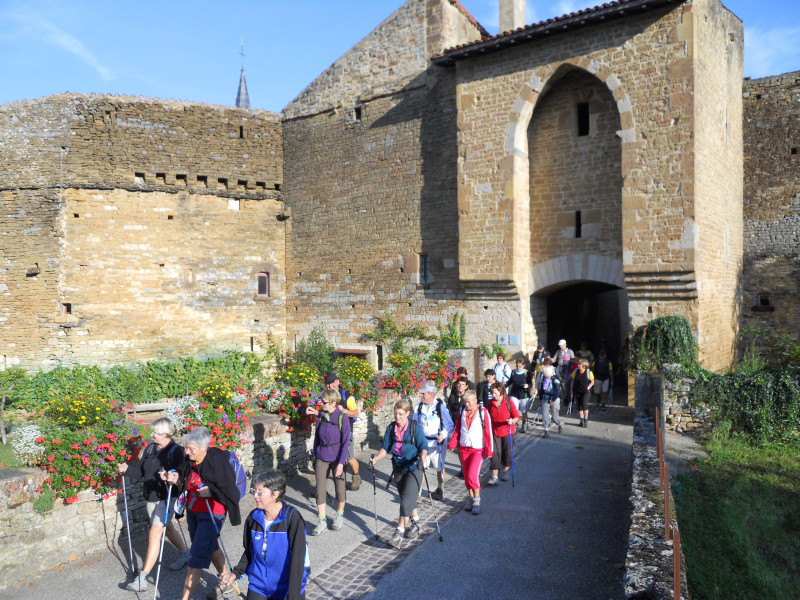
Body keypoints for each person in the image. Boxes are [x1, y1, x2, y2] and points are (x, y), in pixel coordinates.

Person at [164, 426, 241, 600]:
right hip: (193, 510)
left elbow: (231, 492)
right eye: (186, 447)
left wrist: (211, 491)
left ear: (204, 447)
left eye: (191, 448)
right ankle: (225, 578)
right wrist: (174, 479)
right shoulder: (189, 459)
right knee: (209, 545)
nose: (186, 451)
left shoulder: (217, 462)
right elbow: (183, 479)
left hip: (212, 513)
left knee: (196, 555)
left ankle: (185, 598)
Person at [119, 418, 188, 592]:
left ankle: (143, 578)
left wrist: (172, 478)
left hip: (167, 497)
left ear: (165, 434)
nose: (152, 435)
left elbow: (182, 475)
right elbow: (141, 473)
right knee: (168, 528)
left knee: (154, 534)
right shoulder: (150, 448)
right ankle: (185, 552)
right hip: (151, 496)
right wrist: (127, 469)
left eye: (155, 432)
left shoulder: (176, 451)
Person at [222, 470, 308, 600]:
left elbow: (298, 561)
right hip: (258, 586)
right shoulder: (253, 517)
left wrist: (294, 595)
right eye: (254, 491)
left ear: (275, 494)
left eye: (260, 492)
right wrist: (236, 573)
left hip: (286, 588)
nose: (255, 496)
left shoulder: (292, 518)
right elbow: (250, 552)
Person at [370, 399, 427, 548]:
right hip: (398, 468)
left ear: (408, 413)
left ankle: (398, 535)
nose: (398, 417)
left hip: (414, 467)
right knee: (407, 499)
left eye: (401, 414)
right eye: (396, 413)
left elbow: (424, 446)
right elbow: (385, 448)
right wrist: (376, 458)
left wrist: (423, 457)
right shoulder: (391, 428)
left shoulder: (415, 428)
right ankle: (416, 524)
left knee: (406, 501)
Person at [304, 388, 351, 536]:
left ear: (332, 403)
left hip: (337, 457)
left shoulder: (342, 417)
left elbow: (345, 443)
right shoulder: (321, 416)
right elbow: (317, 438)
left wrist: (341, 463)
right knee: (320, 489)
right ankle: (322, 520)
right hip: (321, 456)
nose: (321, 404)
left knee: (340, 488)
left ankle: (339, 515)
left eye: (324, 402)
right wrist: (314, 456)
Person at [448, 390, 493, 515]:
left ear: (475, 401)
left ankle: (477, 500)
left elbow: (488, 432)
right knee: (467, 476)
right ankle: (471, 498)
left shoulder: (483, 413)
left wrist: (489, 450)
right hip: (464, 448)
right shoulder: (462, 411)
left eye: (468, 402)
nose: (466, 404)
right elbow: (457, 428)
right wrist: (452, 443)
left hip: (477, 449)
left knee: (473, 475)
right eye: (465, 401)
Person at [413, 380, 454, 501]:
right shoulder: (418, 407)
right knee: (421, 467)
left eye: (423, 393)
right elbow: (414, 424)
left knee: (439, 467)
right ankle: (418, 493)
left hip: (437, 443)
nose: (421, 395)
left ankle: (440, 489)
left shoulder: (440, 406)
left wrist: (443, 435)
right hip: (423, 443)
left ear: (431, 394)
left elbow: (449, 425)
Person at [323, 373, 362, 490]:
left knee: (349, 457)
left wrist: (343, 410)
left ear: (337, 382)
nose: (329, 386)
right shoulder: (327, 396)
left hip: (346, 431)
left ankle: (356, 476)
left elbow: (355, 413)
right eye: (327, 384)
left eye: (331, 383)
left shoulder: (347, 396)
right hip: (332, 431)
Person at [486, 382, 519, 485]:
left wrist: (512, 421)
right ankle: (494, 476)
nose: (493, 395)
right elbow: (486, 416)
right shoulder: (490, 403)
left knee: (507, 452)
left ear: (501, 392)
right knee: (494, 453)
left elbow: (517, 417)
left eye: (495, 393)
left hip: (507, 431)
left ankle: (505, 471)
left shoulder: (508, 402)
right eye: (492, 393)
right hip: (495, 431)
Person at [538, 358, 564, 437]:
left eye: (547, 365)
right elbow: (542, 389)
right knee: (545, 415)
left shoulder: (555, 379)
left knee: (554, 416)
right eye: (544, 365)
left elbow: (557, 391)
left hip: (554, 398)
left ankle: (560, 423)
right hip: (545, 398)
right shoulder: (543, 378)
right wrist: (541, 398)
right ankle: (546, 430)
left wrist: (553, 400)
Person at [506, 358, 530, 432]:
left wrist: (527, 385)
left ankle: (524, 423)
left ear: (523, 365)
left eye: (520, 366)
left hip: (524, 394)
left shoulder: (526, 373)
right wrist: (504, 384)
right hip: (514, 394)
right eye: (517, 366)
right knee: (514, 410)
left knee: (524, 411)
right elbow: (510, 382)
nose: (518, 368)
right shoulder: (513, 372)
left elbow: (530, 383)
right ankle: (514, 424)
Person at [571, 358, 595, 428]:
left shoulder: (588, 372)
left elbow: (592, 382)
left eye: (579, 364)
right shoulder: (575, 371)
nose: (578, 365)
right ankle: (581, 420)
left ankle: (586, 420)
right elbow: (572, 380)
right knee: (579, 406)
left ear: (584, 366)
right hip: (577, 391)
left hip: (586, 392)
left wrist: (588, 388)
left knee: (584, 404)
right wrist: (571, 389)